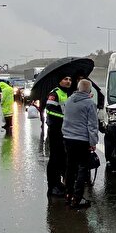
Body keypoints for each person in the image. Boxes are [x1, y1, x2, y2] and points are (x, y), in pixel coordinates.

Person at [61, 78, 99, 209]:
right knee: (83, 168)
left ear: (78, 88)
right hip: (82, 139)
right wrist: (93, 142)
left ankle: (68, 195)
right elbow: (92, 125)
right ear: (89, 90)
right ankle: (77, 199)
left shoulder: (69, 100)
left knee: (70, 167)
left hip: (68, 138)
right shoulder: (89, 104)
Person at [44, 74, 74, 197]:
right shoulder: (55, 93)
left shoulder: (69, 93)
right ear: (59, 80)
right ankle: (52, 187)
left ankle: (59, 184)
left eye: (70, 79)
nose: (68, 81)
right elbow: (50, 110)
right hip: (55, 129)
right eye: (65, 79)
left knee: (63, 158)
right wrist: (65, 118)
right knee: (54, 159)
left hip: (65, 130)